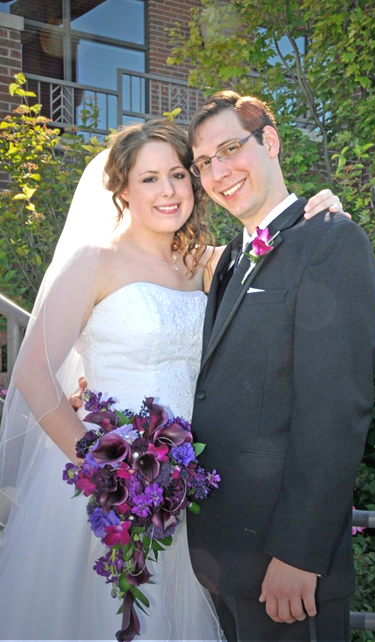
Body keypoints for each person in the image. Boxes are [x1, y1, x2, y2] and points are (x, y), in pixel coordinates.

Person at [0, 118, 342, 640]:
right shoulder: (95, 261)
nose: (168, 190)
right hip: (111, 490)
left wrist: (319, 215)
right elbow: (31, 371)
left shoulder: (207, 263)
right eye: (149, 178)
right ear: (122, 190)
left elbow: (279, 251)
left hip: (185, 489)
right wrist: (102, 467)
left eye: (179, 175)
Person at [186, 91, 375, 642]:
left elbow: (336, 411)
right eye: (204, 163)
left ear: (269, 141)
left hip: (285, 571)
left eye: (230, 149)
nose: (219, 173)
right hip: (219, 557)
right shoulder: (230, 258)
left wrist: (299, 552)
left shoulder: (330, 241)